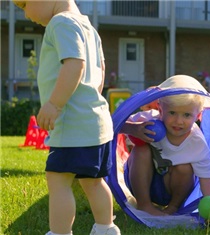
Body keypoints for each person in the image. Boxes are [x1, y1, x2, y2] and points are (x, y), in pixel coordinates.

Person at [12, 1, 120, 235]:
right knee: (93, 180)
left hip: (72, 122)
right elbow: (99, 72)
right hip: (96, 122)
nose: (26, 13)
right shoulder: (88, 27)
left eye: (24, 4)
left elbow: (74, 64)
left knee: (58, 179)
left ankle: (60, 232)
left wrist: (54, 103)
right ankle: (106, 229)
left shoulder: (60, 22)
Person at [120, 92, 210, 217]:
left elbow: (207, 181)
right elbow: (113, 124)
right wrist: (133, 129)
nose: (178, 121)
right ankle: (144, 205)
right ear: (160, 110)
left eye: (187, 115)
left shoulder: (197, 144)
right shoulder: (149, 120)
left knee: (185, 168)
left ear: (198, 116)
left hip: (171, 190)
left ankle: (172, 208)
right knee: (141, 150)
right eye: (172, 113)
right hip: (139, 183)